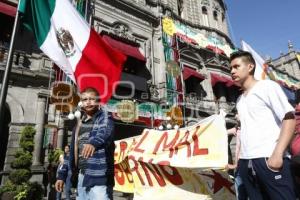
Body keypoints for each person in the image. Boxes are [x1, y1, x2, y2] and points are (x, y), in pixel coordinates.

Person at [230, 51, 296, 200]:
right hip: (247, 163)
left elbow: (289, 118)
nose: (232, 71)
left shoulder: (267, 86)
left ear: (250, 67)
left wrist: (278, 154)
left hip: (268, 159)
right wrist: (239, 162)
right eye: (231, 68)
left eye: (236, 66)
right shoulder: (240, 99)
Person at [55, 87, 115, 200]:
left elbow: (105, 131)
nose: (88, 102)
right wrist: (62, 176)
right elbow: (70, 153)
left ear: (98, 101)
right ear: (81, 103)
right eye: (85, 99)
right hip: (81, 176)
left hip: (100, 177)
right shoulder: (78, 126)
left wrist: (93, 143)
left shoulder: (105, 117)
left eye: (92, 99)